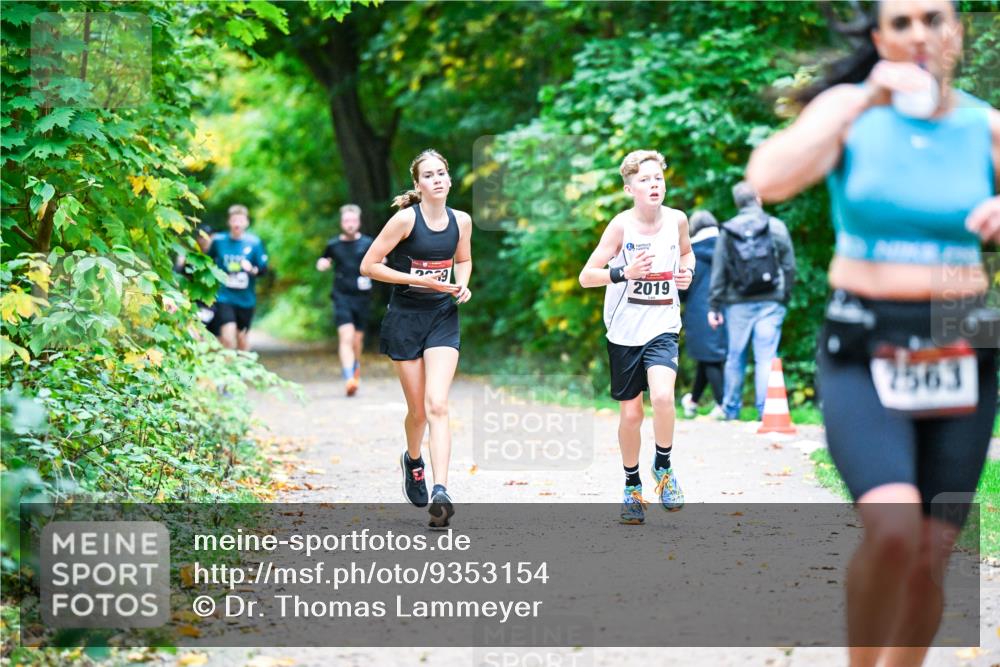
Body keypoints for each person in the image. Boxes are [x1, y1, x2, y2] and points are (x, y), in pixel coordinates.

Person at [745, 1, 1000, 664]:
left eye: (934, 19)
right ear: (881, 37)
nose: (920, 35)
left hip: (961, 340)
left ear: (957, 32)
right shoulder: (850, 113)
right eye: (903, 22)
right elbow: (766, 179)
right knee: (892, 528)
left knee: (932, 553)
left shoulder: (984, 126)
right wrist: (853, 103)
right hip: (864, 338)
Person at [578, 149, 694, 524]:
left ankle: (663, 466)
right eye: (644, 180)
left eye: (657, 178)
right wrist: (623, 273)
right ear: (630, 188)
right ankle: (632, 486)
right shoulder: (620, 227)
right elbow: (586, 276)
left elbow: (688, 256)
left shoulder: (677, 220)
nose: (653, 185)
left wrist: (686, 273)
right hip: (625, 331)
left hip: (662, 325)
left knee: (662, 396)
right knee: (631, 414)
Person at [360, 149, 473, 529]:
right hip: (406, 319)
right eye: (429, 175)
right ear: (418, 185)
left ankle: (441, 491)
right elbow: (370, 265)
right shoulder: (405, 220)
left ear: (449, 180)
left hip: (442, 317)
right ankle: (413, 460)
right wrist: (416, 279)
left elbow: (464, 260)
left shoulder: (463, 221)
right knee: (419, 412)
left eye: (442, 173)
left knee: (438, 404)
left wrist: (461, 286)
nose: (438, 179)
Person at [707, 181, 796, 420]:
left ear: (737, 203)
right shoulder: (775, 226)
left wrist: (714, 305)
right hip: (771, 300)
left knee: (735, 356)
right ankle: (766, 411)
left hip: (737, 302)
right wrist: (783, 294)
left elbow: (719, 270)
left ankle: (731, 410)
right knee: (766, 356)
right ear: (758, 198)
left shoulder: (728, 231)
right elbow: (789, 265)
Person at [317, 204, 374, 396]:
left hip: (362, 298)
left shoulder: (368, 243)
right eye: (346, 221)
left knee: (357, 341)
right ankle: (349, 377)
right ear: (342, 223)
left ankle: (355, 371)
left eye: (353, 221)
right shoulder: (333, 245)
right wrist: (322, 264)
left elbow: (382, 260)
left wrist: (381, 263)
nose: (350, 224)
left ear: (358, 222)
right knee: (346, 337)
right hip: (341, 296)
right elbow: (323, 259)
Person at [679, 210, 727, 419]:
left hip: (700, 310)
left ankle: (723, 404)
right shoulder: (727, 248)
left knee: (710, 357)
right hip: (726, 309)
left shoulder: (692, 253)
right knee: (707, 356)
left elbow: (683, 288)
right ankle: (693, 401)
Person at [207, 205, 269, 351]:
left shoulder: (254, 243)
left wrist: (252, 269)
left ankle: (244, 371)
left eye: (240, 220)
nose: (237, 224)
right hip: (224, 296)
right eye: (234, 220)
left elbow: (263, 270)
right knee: (228, 337)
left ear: (246, 223)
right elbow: (207, 262)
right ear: (229, 222)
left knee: (242, 340)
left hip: (246, 299)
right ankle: (228, 372)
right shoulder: (218, 241)